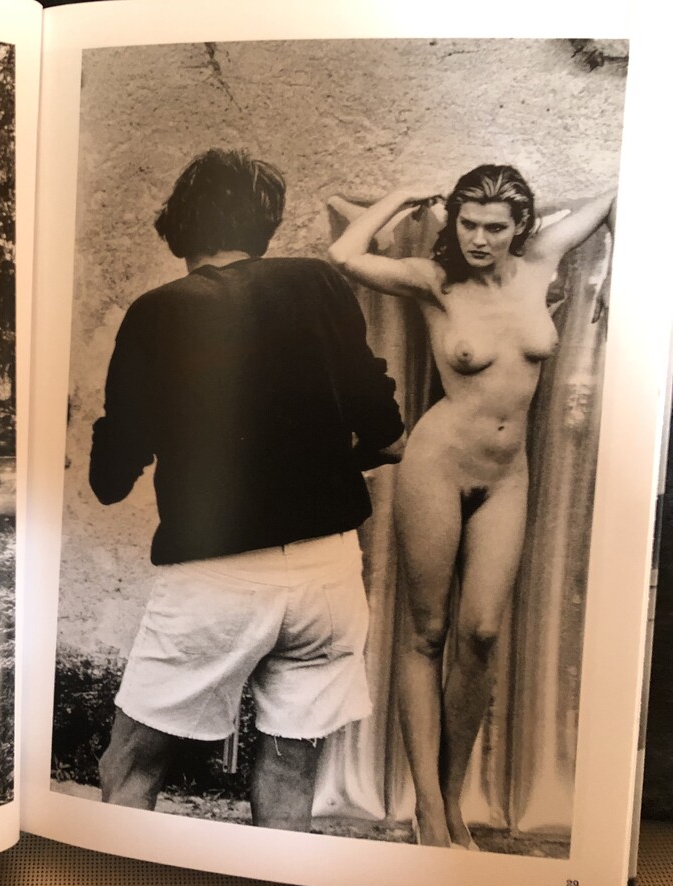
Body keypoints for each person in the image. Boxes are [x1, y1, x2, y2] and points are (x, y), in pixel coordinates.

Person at [90, 149, 404, 831]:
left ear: (180, 220)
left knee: (130, 766)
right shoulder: (321, 284)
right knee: (291, 772)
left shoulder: (158, 310)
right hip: (329, 575)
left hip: (217, 577)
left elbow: (110, 480)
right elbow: (388, 432)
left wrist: (112, 442)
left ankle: (115, 878)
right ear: (266, 223)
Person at [327, 164, 615, 848]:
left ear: (522, 228)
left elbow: (617, 194)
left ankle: (453, 799)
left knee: (481, 632)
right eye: (467, 223)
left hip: (509, 475)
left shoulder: (542, 264)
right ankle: (430, 811)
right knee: (427, 633)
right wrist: (403, 196)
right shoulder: (435, 282)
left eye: (495, 227)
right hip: (438, 466)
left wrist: (625, 278)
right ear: (453, 221)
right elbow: (344, 253)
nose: (479, 239)